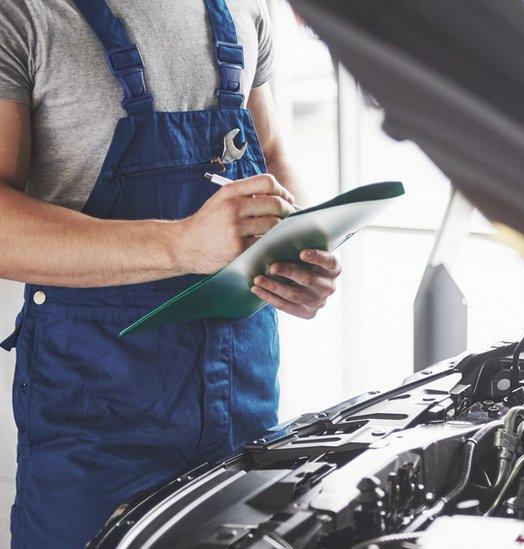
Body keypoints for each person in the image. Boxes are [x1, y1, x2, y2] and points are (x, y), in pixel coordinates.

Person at [0, 1, 340, 546]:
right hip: (98, 422)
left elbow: (271, 152)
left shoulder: (243, 7)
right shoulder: (23, 15)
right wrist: (182, 244)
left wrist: (302, 249)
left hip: (244, 406)